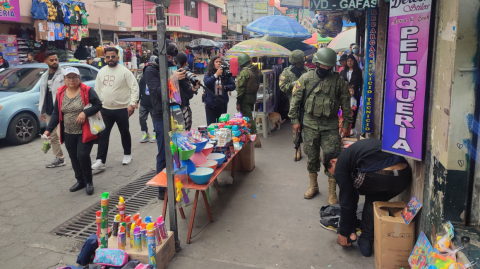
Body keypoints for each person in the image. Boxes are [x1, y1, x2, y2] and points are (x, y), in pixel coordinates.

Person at [323, 139, 412, 257]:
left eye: (334, 173)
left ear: (333, 161)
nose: (336, 176)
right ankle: (366, 239)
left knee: (350, 190)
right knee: (373, 199)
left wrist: (344, 232)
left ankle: (351, 232)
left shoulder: (341, 162)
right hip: (403, 177)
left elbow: (347, 200)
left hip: (378, 175)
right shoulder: (356, 151)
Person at [288, 48, 352, 203]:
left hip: (330, 126)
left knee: (333, 158)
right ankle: (313, 185)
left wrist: (346, 124)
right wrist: (295, 120)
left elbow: (345, 104)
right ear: (316, 63)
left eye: (328, 67)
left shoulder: (338, 81)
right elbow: (295, 101)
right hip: (310, 125)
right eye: (322, 66)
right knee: (312, 157)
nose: (325, 69)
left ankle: (332, 192)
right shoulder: (305, 78)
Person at [43, 67, 103, 195]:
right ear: (64, 79)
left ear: (79, 78)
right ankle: (80, 180)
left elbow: (98, 104)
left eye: (74, 77)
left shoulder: (87, 90)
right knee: (74, 157)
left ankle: (88, 182)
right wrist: (48, 130)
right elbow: (56, 113)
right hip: (68, 131)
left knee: (83, 155)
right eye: (68, 77)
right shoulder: (60, 93)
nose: (72, 80)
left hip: (85, 131)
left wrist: (85, 113)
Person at [145, 40, 185, 200]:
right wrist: (173, 78)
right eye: (167, 56)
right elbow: (156, 93)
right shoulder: (151, 69)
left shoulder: (172, 66)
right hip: (160, 114)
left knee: (179, 148)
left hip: (175, 111)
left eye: (171, 57)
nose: (169, 59)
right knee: (163, 151)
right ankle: (162, 189)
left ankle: (179, 183)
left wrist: (189, 83)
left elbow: (182, 94)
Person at [91, 47, 139, 172]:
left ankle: (127, 154)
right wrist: (96, 106)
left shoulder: (125, 72)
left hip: (122, 109)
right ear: (104, 58)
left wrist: (132, 104)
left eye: (113, 56)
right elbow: (98, 90)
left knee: (124, 132)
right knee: (103, 135)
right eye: (108, 57)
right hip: (105, 109)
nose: (110, 59)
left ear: (118, 57)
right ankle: (100, 160)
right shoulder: (101, 71)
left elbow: (134, 88)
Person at [279, 50, 309, 160]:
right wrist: (296, 84)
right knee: (296, 128)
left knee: (309, 128)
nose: (302, 64)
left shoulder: (306, 70)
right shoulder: (287, 72)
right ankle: (298, 149)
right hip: (294, 103)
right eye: (300, 62)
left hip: (307, 103)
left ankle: (311, 150)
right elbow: (283, 87)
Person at [39, 51, 66, 168]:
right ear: (45, 61)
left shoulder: (64, 74)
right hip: (51, 111)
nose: (55, 62)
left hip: (64, 109)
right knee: (53, 136)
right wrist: (42, 111)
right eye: (52, 60)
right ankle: (59, 158)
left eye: (56, 59)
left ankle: (79, 157)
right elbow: (43, 94)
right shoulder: (44, 76)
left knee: (69, 134)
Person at [236, 54, 262, 148]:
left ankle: (256, 140)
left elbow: (241, 89)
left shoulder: (244, 72)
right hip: (253, 96)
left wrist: (238, 102)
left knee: (248, 118)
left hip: (245, 98)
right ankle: (248, 137)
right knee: (248, 117)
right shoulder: (256, 70)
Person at [203, 55, 236, 125]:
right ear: (213, 63)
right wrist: (216, 75)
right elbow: (206, 83)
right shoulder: (208, 74)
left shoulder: (226, 74)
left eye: (220, 62)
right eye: (216, 62)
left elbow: (233, 85)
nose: (218, 63)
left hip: (222, 104)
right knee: (211, 125)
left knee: (222, 125)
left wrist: (225, 87)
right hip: (210, 104)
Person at [176, 52, 200, 131]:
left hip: (180, 105)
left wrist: (192, 84)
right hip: (182, 105)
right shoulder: (179, 74)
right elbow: (188, 91)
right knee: (184, 130)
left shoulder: (182, 74)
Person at [340, 55, 363, 128]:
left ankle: (352, 127)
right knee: (344, 109)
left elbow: (360, 82)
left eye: (351, 61)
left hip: (355, 94)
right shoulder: (343, 71)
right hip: (345, 94)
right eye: (348, 61)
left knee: (354, 110)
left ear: (354, 62)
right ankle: (344, 126)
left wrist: (360, 92)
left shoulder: (358, 71)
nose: (350, 63)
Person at [137, 63, 157, 143]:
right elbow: (139, 90)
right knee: (142, 119)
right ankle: (145, 133)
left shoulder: (155, 78)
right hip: (144, 103)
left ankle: (156, 134)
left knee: (155, 120)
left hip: (154, 104)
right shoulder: (142, 79)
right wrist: (136, 101)